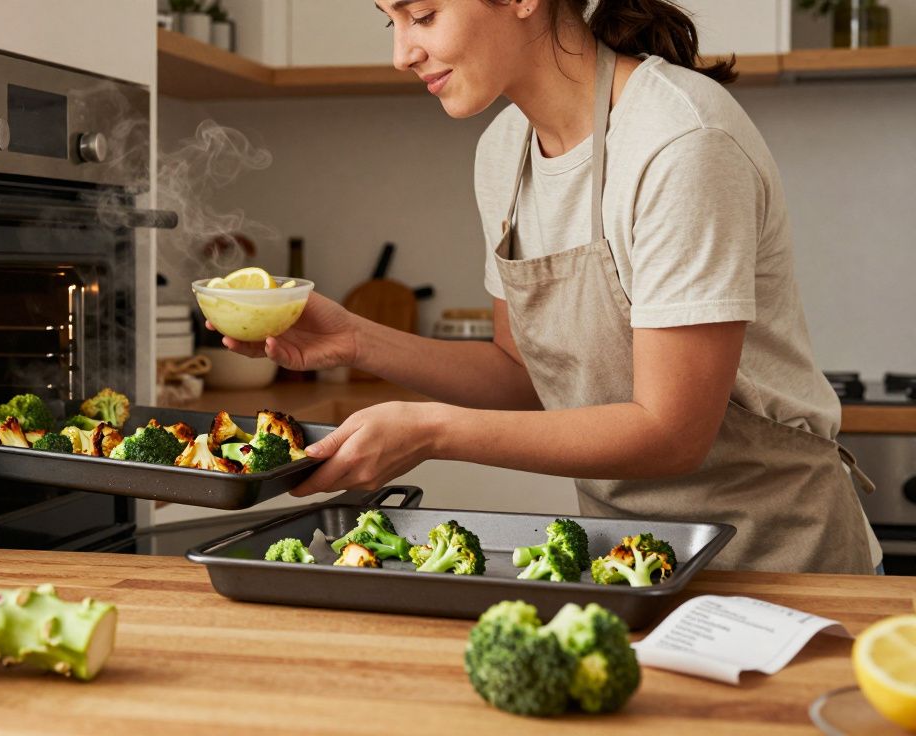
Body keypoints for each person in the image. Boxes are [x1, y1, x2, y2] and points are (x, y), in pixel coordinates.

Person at [215, 0, 881, 574]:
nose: (401, 52)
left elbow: (675, 432)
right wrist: (356, 340)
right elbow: (524, 376)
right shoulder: (504, 150)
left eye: (422, 15)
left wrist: (433, 432)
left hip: (779, 565)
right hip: (631, 560)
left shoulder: (678, 140)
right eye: (388, 19)